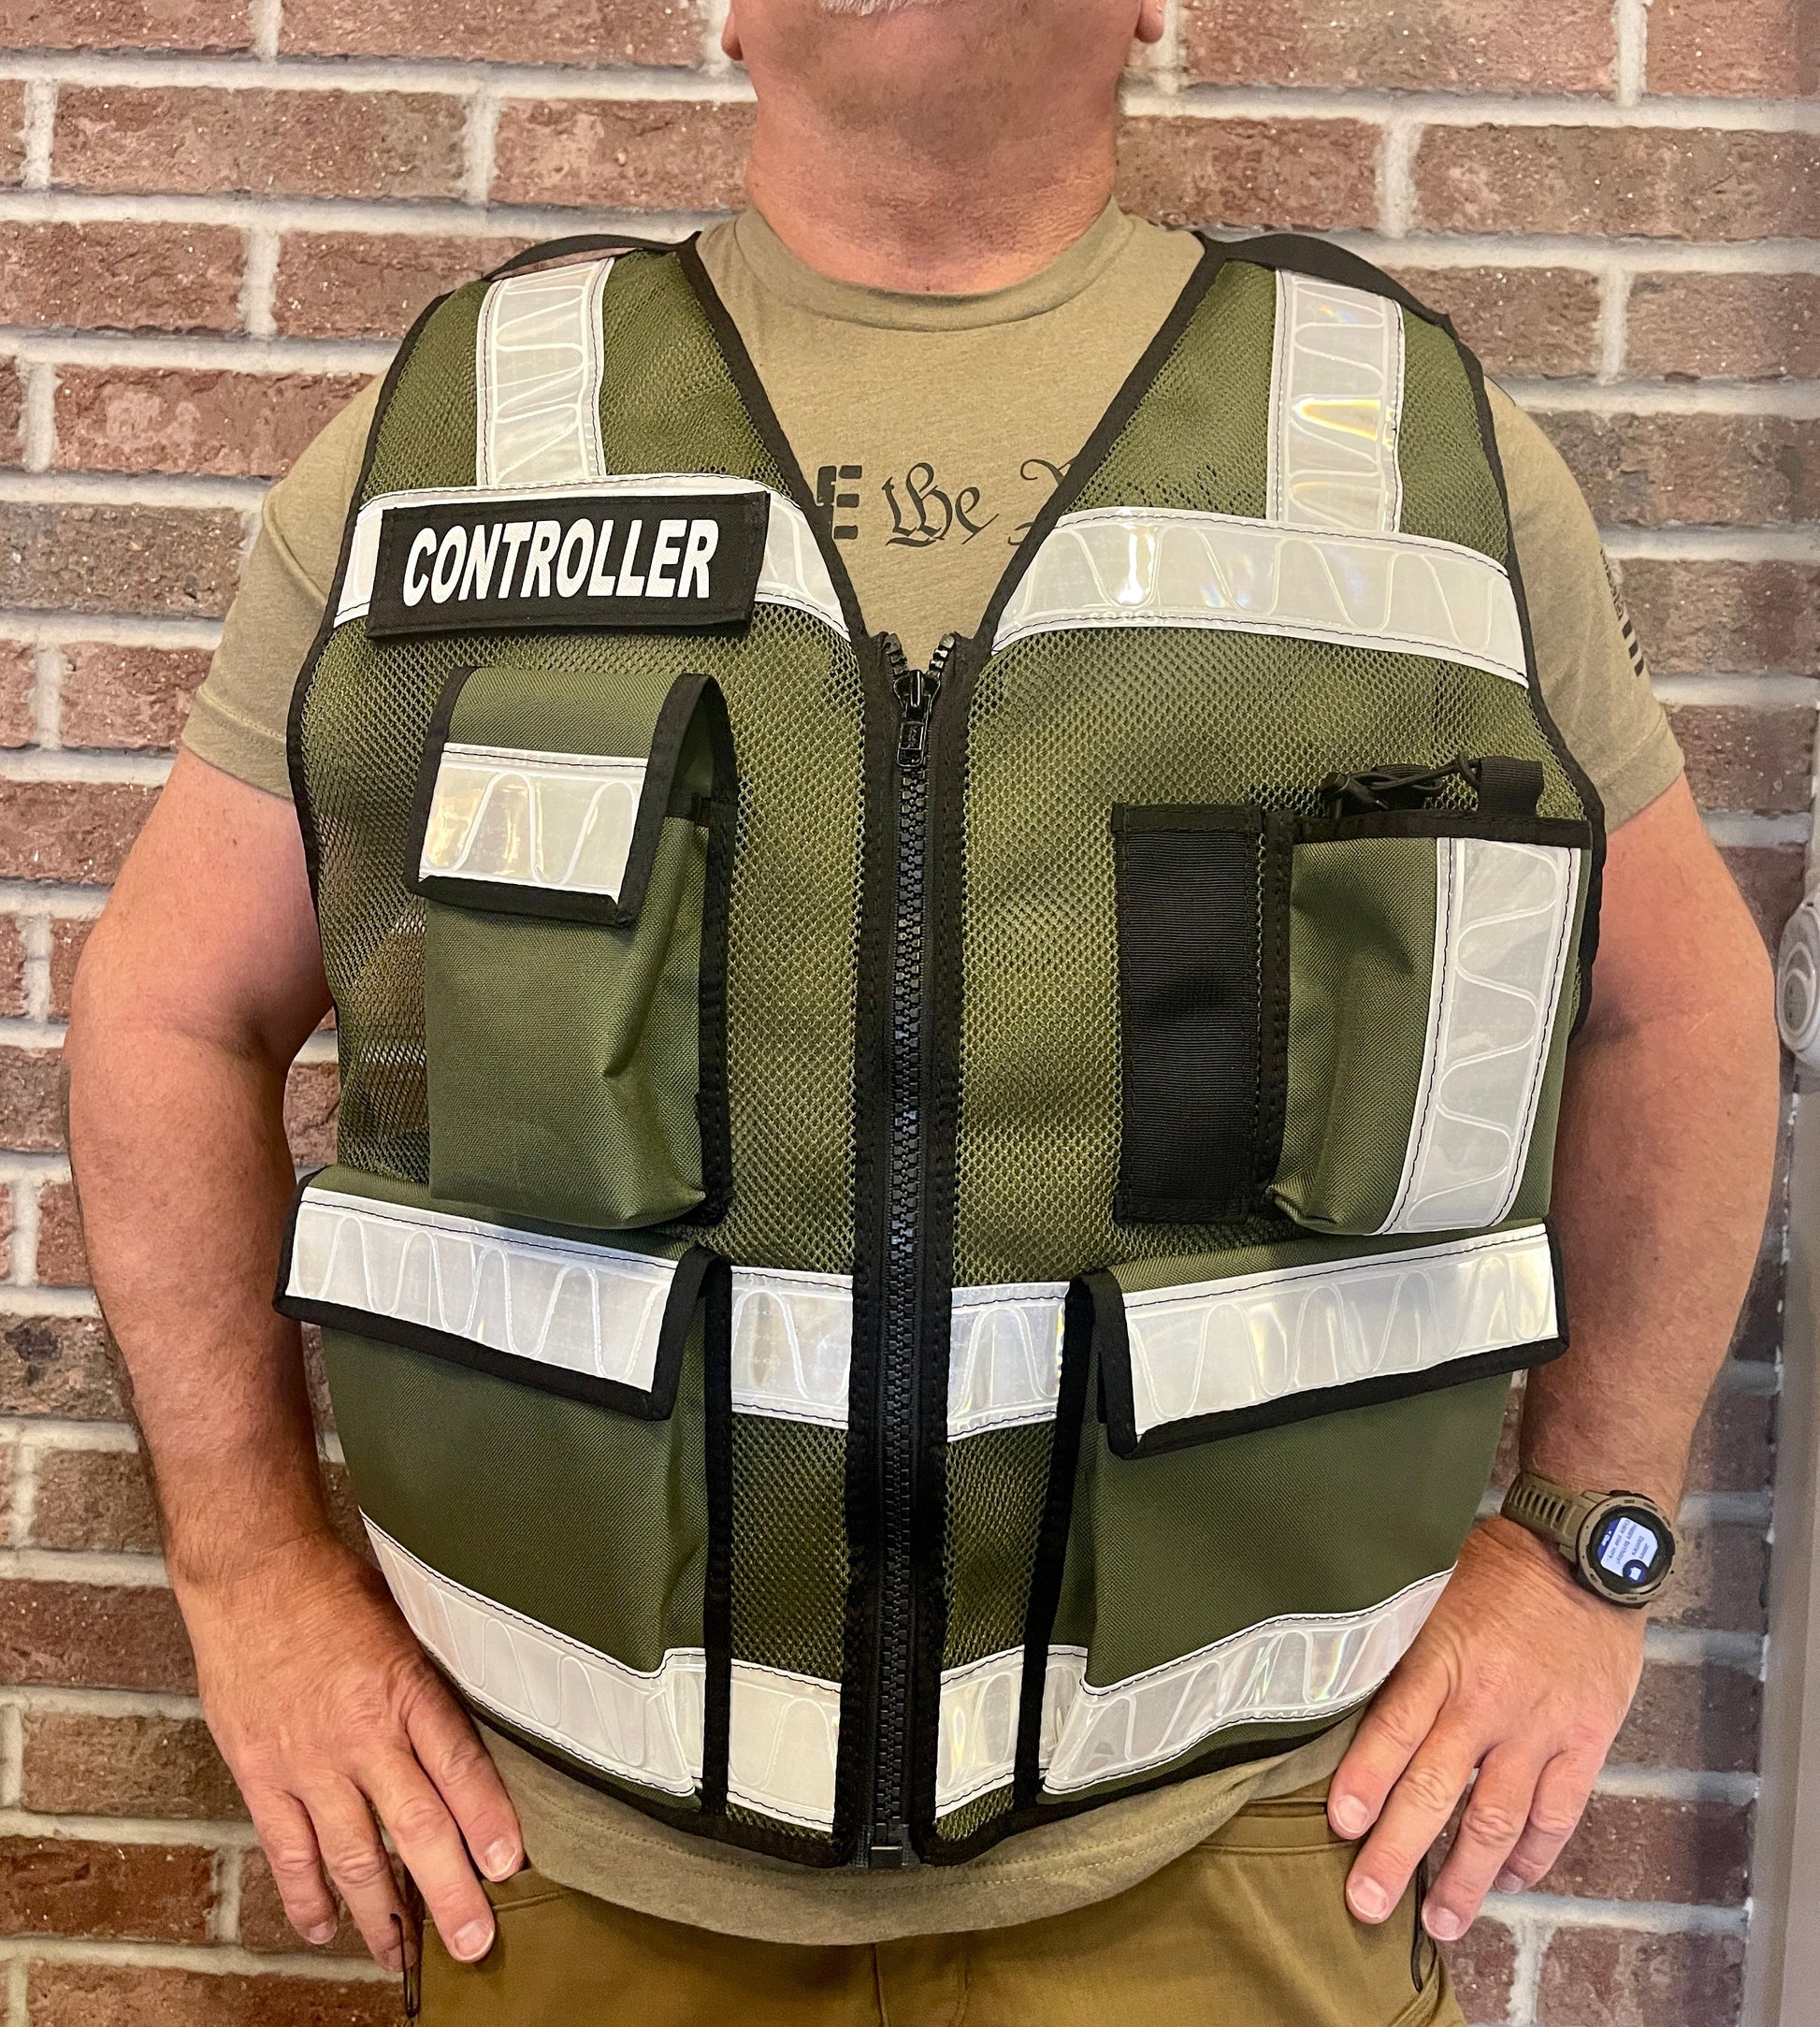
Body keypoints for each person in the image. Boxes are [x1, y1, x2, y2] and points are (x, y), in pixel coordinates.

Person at [63, 2, 1780, 2021]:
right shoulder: (461, 439)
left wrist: (1583, 1548)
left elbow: (1678, 1012)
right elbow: (169, 1008)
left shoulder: (1408, 447)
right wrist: (252, 1573)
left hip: (1240, 1838)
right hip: (562, 1845)